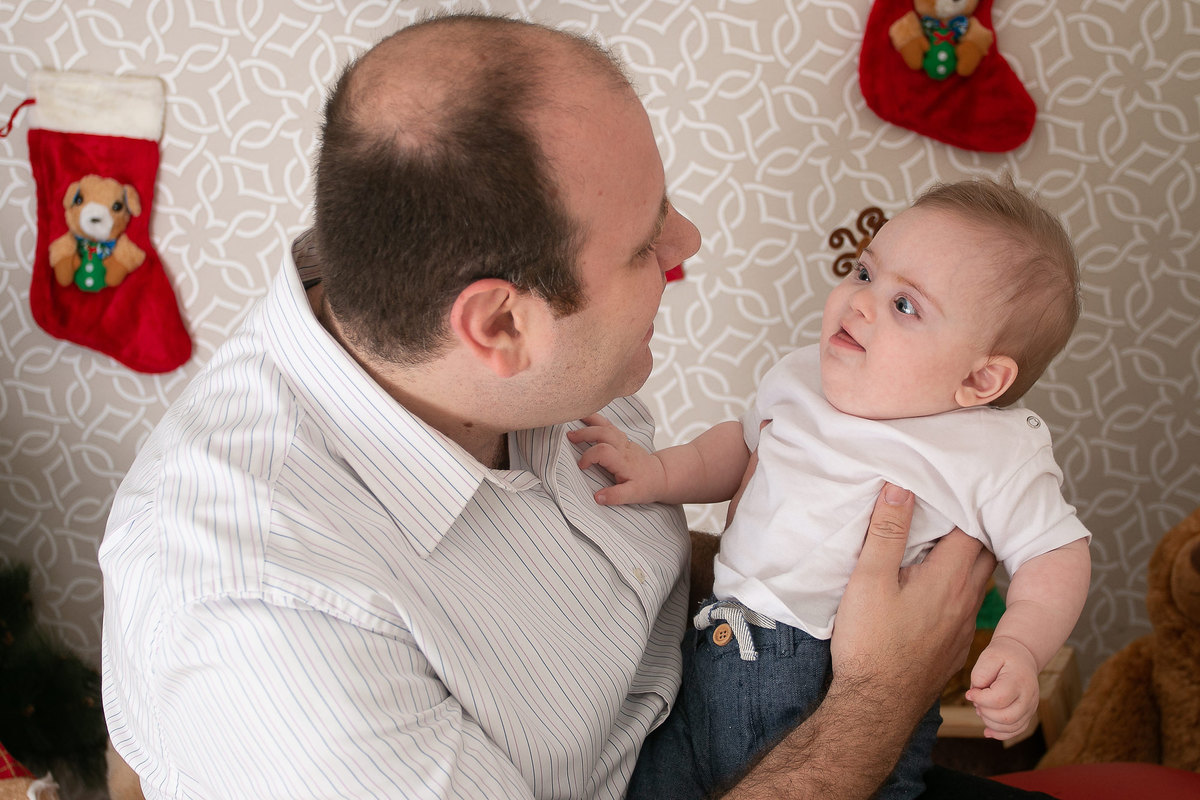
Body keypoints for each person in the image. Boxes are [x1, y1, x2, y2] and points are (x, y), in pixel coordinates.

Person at [99, 12, 1056, 800]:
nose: (689, 240)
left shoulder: (486, 348)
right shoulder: (270, 620)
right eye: (647, 242)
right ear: (501, 326)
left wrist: (813, 543)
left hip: (733, 712)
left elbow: (616, 569)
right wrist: (877, 700)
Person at [569, 177, 1092, 799]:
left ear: (981, 379)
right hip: (714, 647)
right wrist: (660, 472)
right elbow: (738, 447)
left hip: (831, 680)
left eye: (906, 306)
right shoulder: (803, 376)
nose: (859, 302)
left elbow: (1055, 553)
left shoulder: (991, 451)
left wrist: (1021, 645)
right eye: (865, 273)